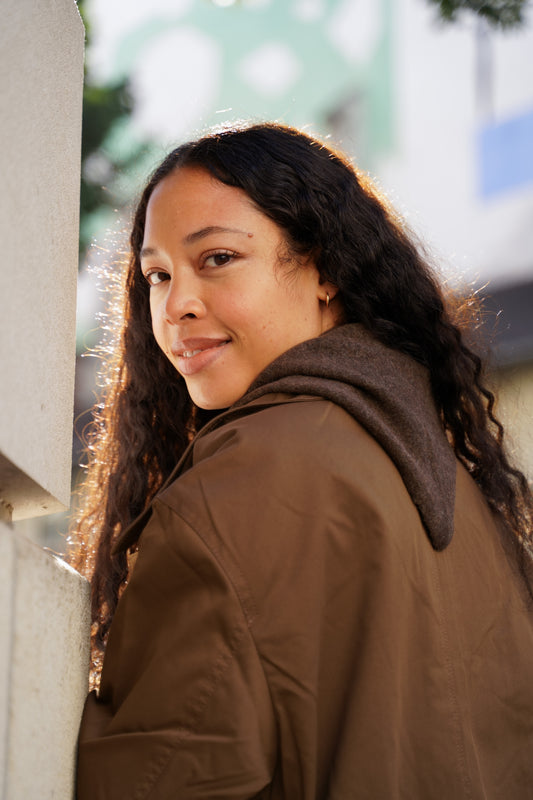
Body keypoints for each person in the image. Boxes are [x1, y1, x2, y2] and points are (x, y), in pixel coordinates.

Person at [73, 121, 533, 799]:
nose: (175, 306)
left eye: (217, 259)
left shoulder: (250, 474)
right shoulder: (443, 476)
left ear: (323, 268)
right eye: (156, 274)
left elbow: (160, 774)